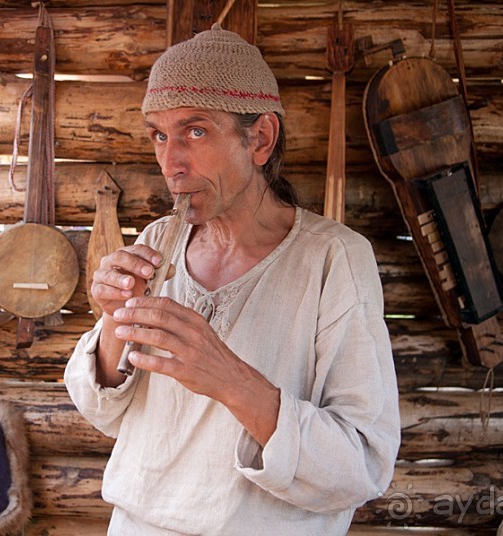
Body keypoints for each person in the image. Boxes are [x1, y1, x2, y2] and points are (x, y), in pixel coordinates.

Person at [64, 24, 401, 535]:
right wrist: (115, 321)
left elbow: (362, 464)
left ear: (260, 138)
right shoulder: (158, 240)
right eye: (159, 135)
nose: (171, 164)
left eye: (195, 131)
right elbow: (104, 411)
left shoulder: (333, 259)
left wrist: (230, 379)